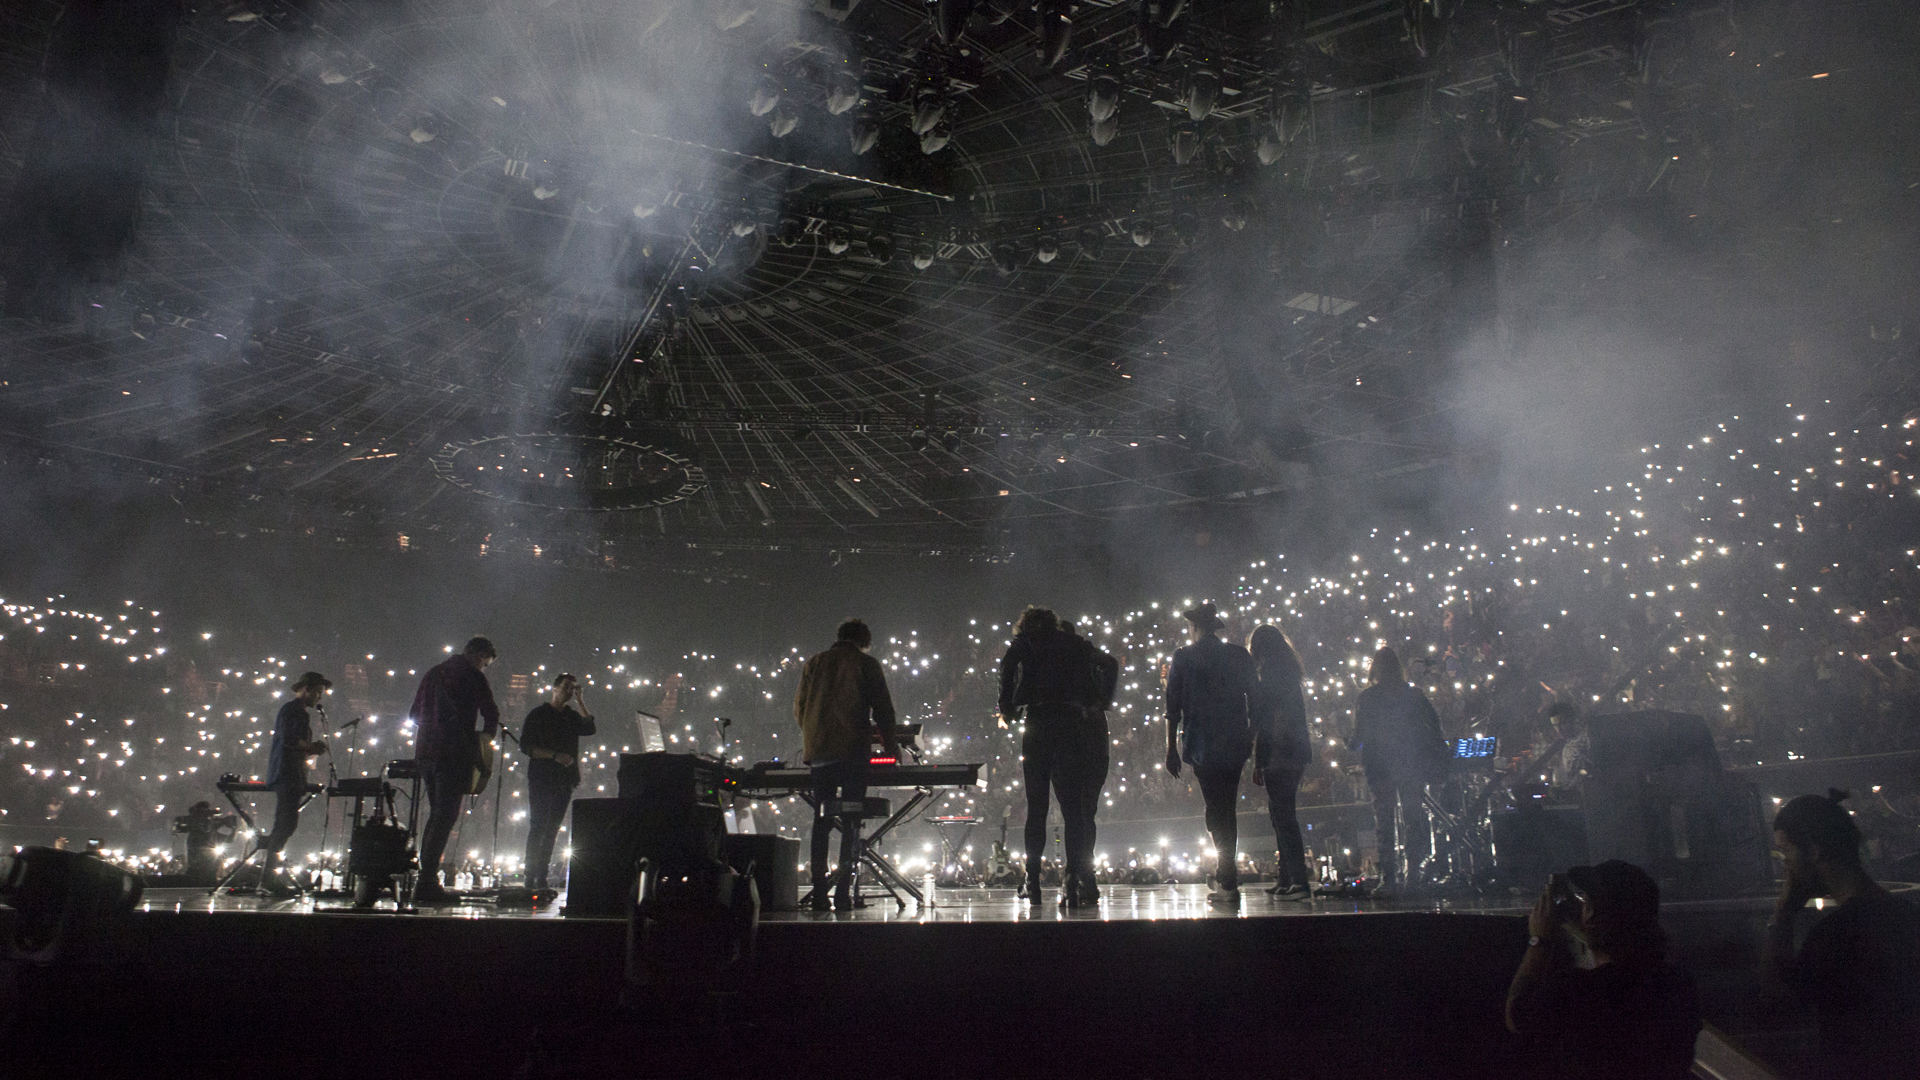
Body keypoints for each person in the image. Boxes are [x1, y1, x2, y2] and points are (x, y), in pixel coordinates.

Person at [1762, 789, 1920, 1078]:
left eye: (1786, 851)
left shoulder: (1833, 938)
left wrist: (1783, 913)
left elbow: (1778, 1005)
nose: (1785, 865)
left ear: (1813, 851)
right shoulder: (1908, 916)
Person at [1505, 859, 1702, 1080]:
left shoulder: (1583, 992)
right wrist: (1586, 922)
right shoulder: (1679, 984)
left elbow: (1517, 1014)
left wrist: (1540, 940)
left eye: (1585, 902)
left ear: (1591, 916)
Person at [998, 608, 1119, 907]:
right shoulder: (1073, 643)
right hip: (1070, 724)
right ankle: (1074, 881)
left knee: (1036, 808)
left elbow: (1007, 669)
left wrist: (1007, 707)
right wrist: (1103, 700)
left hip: (1038, 722)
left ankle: (1033, 882)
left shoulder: (1025, 643)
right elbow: (1110, 663)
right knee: (1073, 810)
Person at [793, 618, 900, 912]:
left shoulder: (814, 662)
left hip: (819, 752)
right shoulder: (866, 663)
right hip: (852, 752)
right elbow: (883, 708)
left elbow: (799, 708)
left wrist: (814, 736)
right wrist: (891, 745)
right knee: (851, 821)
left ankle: (818, 893)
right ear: (864, 640)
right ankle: (841, 894)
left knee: (822, 820)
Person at [1164, 602, 1255, 904]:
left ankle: (1227, 878)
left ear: (1195, 627)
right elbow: (1254, 698)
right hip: (1234, 741)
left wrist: (1171, 749)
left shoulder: (1184, 657)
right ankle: (1226, 874)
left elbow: (1172, 708)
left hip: (1202, 742)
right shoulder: (1238, 655)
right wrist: (1252, 736)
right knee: (1226, 806)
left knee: (1216, 808)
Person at [408, 637, 501, 904]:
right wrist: (483, 741)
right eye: (485, 662)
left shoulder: (433, 673)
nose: (484, 668)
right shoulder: (473, 676)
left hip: (426, 753)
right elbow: (491, 714)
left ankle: (424, 881)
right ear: (479, 655)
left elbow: (414, 714)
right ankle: (426, 884)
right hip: (453, 754)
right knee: (446, 816)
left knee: (436, 815)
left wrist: (433, 727)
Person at [1351, 647, 1446, 897]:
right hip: (1410, 764)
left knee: (1384, 823)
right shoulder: (1413, 695)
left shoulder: (1368, 698)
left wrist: (1347, 741)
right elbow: (1435, 726)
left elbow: (1358, 737)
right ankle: (1413, 875)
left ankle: (1388, 879)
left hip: (1379, 766)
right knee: (1413, 820)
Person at [1248, 625, 1312, 899]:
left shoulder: (1270, 676)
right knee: (1281, 815)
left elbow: (1264, 719)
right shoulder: (1289, 674)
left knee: (1283, 817)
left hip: (1279, 751)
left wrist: (1258, 758)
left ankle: (1297, 879)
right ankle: (1287, 877)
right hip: (1293, 750)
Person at [519, 672, 596, 894]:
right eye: (566, 688)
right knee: (538, 826)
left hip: (564, 780)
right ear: (554, 688)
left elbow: (590, 728)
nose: (569, 692)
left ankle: (541, 875)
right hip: (542, 778)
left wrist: (581, 702)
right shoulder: (539, 714)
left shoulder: (571, 716)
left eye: (572, 689)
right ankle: (530, 875)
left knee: (552, 829)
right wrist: (554, 755)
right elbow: (526, 746)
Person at [258, 671, 329, 897]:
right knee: (285, 825)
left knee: (285, 825)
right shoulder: (293, 711)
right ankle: (269, 878)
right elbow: (289, 740)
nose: (319, 697)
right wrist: (311, 747)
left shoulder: (296, 712)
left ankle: (270, 875)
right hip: (287, 774)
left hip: (291, 774)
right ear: (306, 689)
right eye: (317, 691)